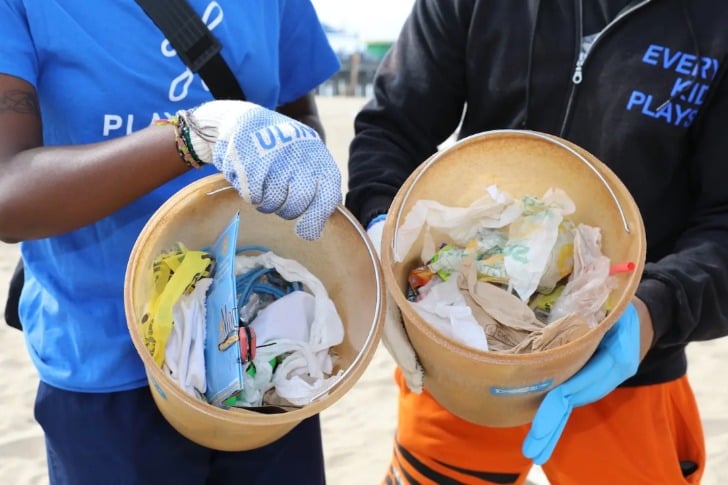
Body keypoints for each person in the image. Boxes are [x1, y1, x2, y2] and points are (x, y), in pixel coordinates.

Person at [346, 0, 728, 483]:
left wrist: (656, 311)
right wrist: (381, 230)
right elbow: (392, 128)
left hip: (626, 359)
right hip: (460, 349)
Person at [0, 1, 343, 484]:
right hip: (108, 357)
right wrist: (192, 136)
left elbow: (296, 114)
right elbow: (7, 195)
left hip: (262, 341)